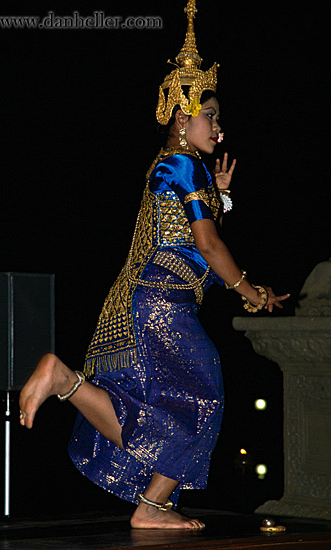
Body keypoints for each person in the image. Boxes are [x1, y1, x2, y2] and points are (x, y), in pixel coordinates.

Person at [19, 0, 289, 530]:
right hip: (161, 300)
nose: (219, 129)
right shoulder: (184, 164)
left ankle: (68, 386)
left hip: (158, 297)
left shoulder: (176, 168)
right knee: (205, 393)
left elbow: (190, 241)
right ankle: (151, 500)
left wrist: (219, 200)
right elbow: (206, 248)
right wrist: (249, 291)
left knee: (170, 412)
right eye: (211, 117)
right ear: (184, 115)